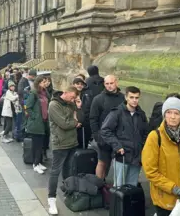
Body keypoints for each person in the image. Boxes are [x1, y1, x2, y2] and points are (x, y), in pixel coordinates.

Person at [142, 97, 180, 216]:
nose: (172, 116)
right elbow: (151, 172)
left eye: (176, 113)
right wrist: (175, 189)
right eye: (169, 112)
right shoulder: (155, 137)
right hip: (165, 199)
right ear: (164, 115)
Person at [100, 86, 149, 187]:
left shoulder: (141, 114)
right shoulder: (117, 112)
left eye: (136, 97)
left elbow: (145, 133)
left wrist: (143, 148)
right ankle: (116, 203)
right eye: (131, 97)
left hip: (137, 157)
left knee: (132, 187)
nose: (134, 100)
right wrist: (117, 146)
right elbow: (105, 130)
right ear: (126, 97)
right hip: (122, 156)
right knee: (119, 186)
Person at [46, 86, 82, 215]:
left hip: (72, 142)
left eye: (75, 98)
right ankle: (51, 199)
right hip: (60, 143)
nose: (73, 99)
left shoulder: (71, 104)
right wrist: (75, 123)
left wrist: (78, 105)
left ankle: (68, 193)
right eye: (72, 97)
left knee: (68, 169)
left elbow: (78, 118)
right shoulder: (53, 105)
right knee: (55, 171)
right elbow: (64, 123)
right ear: (65, 93)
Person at [89, 75, 125, 179]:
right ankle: (98, 186)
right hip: (103, 137)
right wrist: (97, 136)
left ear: (116, 83)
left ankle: (109, 185)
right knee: (102, 162)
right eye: (107, 84)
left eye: (111, 83)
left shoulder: (123, 98)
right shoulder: (98, 99)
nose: (109, 86)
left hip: (119, 137)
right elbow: (93, 119)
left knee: (116, 164)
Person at [25, 76, 50, 174]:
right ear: (38, 83)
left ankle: (38, 162)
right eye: (43, 82)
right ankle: (35, 164)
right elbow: (28, 107)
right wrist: (35, 116)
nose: (45, 83)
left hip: (44, 121)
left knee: (41, 144)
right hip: (36, 123)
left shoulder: (44, 93)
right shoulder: (34, 93)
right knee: (36, 145)